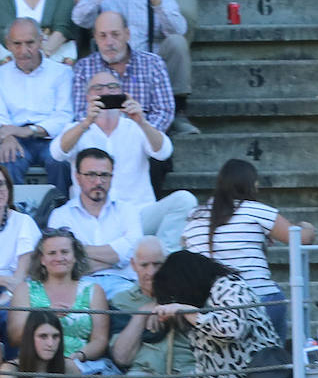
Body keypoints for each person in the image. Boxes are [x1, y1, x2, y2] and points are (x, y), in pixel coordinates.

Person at [49, 68, 194, 251]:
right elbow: (56, 153)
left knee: (185, 200)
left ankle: (162, 260)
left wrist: (141, 121)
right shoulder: (77, 129)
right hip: (93, 216)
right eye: (98, 88)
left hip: (138, 213)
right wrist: (86, 122)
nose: (106, 92)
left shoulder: (135, 126)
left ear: (122, 93)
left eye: (112, 87)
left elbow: (164, 151)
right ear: (87, 96)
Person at [72, 0, 195, 131]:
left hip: (151, 65)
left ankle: (177, 112)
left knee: (177, 43)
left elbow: (178, 31)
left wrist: (156, 2)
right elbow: (79, 19)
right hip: (111, 65)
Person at [182, 158, 315, 344]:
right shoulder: (254, 211)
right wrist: (306, 226)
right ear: (250, 185)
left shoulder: (194, 215)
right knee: (274, 297)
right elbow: (301, 238)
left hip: (210, 306)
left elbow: (185, 245)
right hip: (256, 300)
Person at [151, 249, 282, 378]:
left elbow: (231, 329)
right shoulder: (199, 304)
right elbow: (204, 365)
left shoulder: (229, 287)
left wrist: (186, 310)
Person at [7, 228, 110, 378]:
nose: (59, 257)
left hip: (81, 366)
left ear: (75, 256)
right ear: (42, 259)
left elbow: (100, 340)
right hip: (36, 368)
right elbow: (15, 337)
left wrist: (76, 357)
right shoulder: (25, 290)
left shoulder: (93, 290)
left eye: (65, 252)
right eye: (52, 253)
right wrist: (44, 315)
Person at [108, 235, 199, 378]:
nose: (151, 272)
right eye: (144, 265)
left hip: (186, 370)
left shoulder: (189, 293)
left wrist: (169, 304)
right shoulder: (121, 301)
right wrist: (142, 313)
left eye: (157, 264)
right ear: (134, 265)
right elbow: (121, 358)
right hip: (144, 372)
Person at [47, 145, 142, 296]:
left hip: (123, 284)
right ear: (77, 177)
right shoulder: (60, 215)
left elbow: (132, 253)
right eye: (90, 175)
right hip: (79, 286)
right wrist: (117, 259)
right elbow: (62, 262)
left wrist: (77, 250)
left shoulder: (128, 210)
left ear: (112, 177)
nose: (98, 181)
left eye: (104, 175)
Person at [71, 10, 175, 138]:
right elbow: (80, 113)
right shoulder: (83, 68)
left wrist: (141, 137)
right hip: (98, 143)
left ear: (127, 34)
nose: (109, 42)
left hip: (145, 142)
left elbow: (164, 111)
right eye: (102, 36)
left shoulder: (153, 64)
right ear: (95, 39)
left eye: (115, 34)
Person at [0, 16, 72, 192]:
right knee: (7, 159)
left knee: (60, 160)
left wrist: (28, 131)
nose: (24, 50)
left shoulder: (61, 72)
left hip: (51, 138)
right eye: (17, 44)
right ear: (8, 45)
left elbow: (64, 116)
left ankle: (59, 214)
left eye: (30, 43)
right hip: (15, 139)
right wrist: (6, 136)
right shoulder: (1, 74)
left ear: (41, 41)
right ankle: (13, 214)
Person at [0, 304, 85, 378]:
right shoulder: (10, 370)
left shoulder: (69, 366)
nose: (50, 343)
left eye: (55, 336)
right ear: (30, 338)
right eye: (43, 336)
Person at [0, 159, 40, 344]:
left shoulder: (23, 222)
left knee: (10, 315)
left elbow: (20, 278)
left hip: (15, 292)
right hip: (5, 284)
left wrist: (5, 294)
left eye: (2, 184)